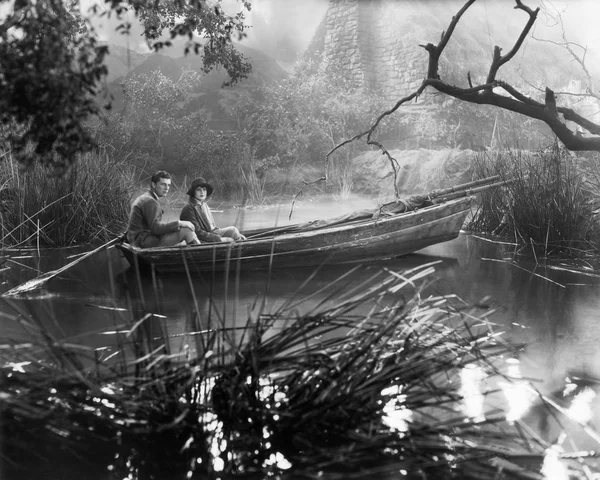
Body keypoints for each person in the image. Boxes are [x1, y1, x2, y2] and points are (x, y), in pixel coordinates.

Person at [126, 171, 201, 247]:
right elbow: (155, 228)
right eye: (163, 184)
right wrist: (179, 223)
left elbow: (154, 226)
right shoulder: (150, 201)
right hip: (142, 242)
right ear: (154, 185)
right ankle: (202, 251)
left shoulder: (146, 197)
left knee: (181, 233)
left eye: (168, 185)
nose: (167, 188)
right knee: (186, 231)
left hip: (136, 239)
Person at [180, 177, 246, 243]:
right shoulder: (189, 208)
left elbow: (213, 227)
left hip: (212, 233)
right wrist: (220, 239)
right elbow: (197, 232)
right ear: (193, 192)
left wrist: (238, 234)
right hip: (201, 238)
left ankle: (241, 242)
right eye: (198, 190)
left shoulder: (204, 205)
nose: (202, 192)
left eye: (204, 189)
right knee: (233, 232)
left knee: (233, 231)